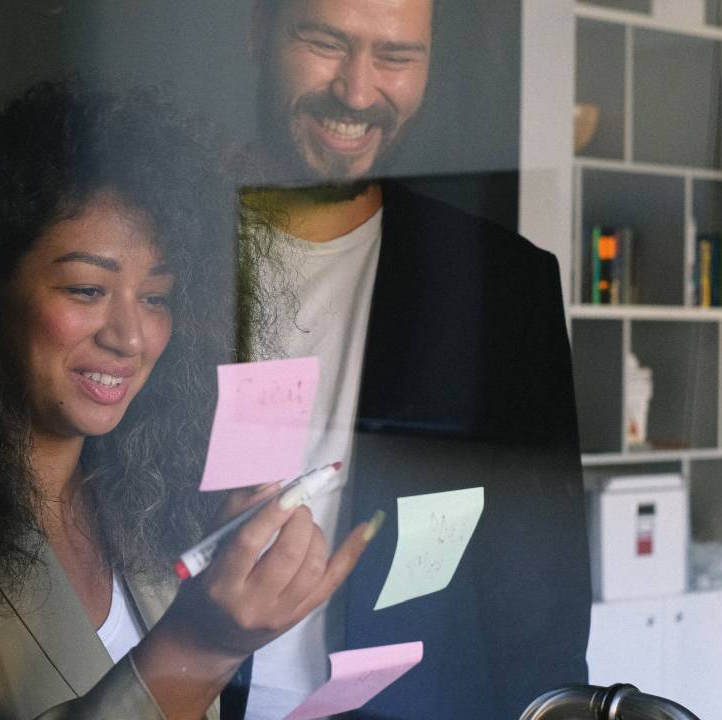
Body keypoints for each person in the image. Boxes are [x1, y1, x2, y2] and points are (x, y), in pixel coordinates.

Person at [0, 81, 378, 720]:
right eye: (87, 290)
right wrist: (199, 646)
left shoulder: (142, 497)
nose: (131, 337)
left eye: (156, 298)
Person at [234, 1, 592, 718]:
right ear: (259, 36)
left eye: (395, 58)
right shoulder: (146, 261)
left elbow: (537, 603)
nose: (359, 92)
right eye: (325, 42)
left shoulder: (502, 287)